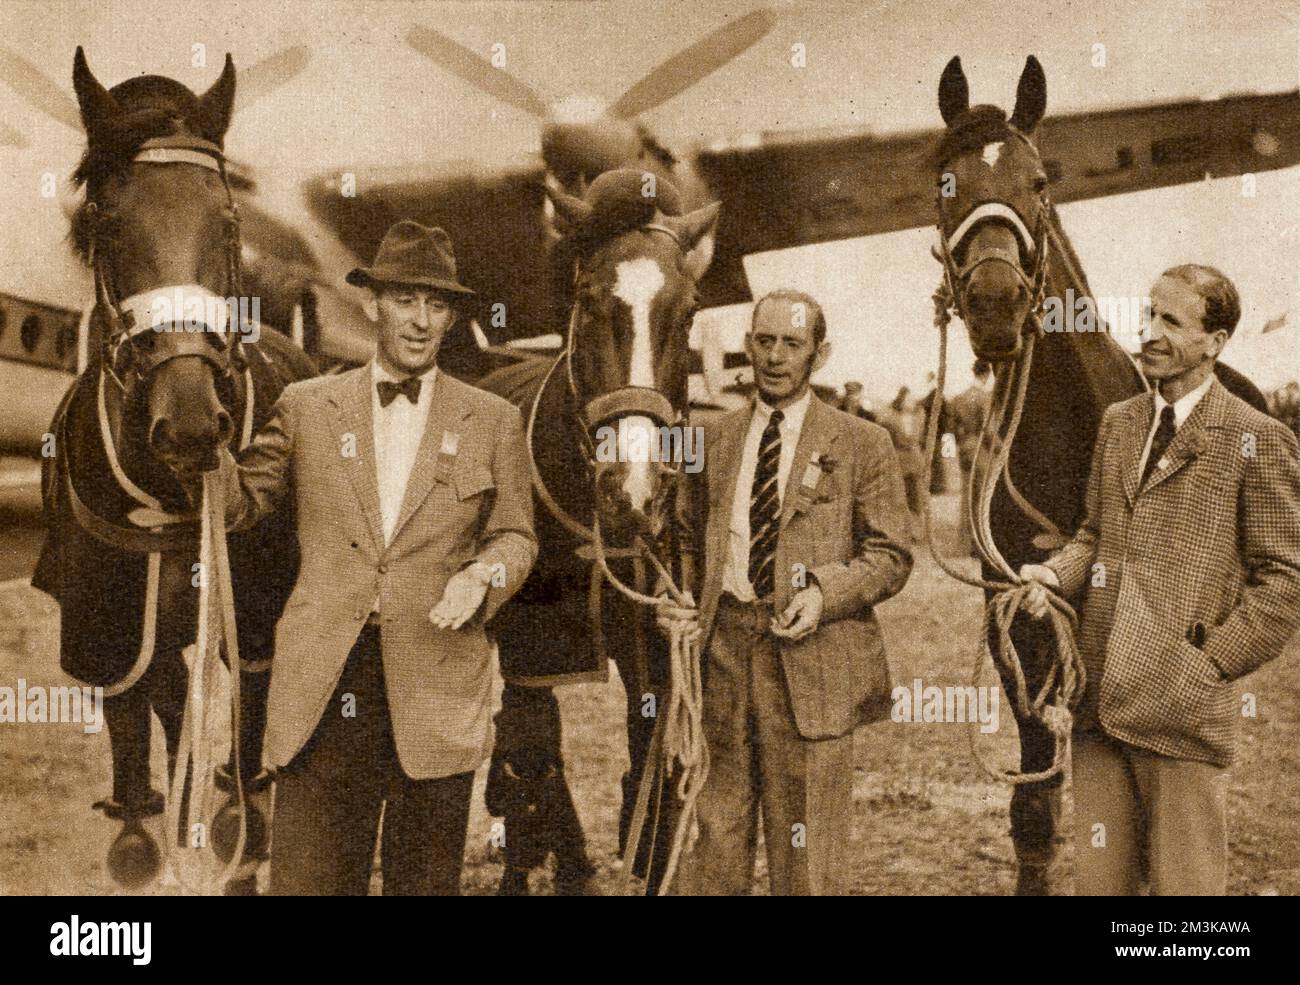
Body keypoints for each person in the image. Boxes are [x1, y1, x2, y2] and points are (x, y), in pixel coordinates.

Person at [217, 220, 538, 894]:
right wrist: (198, 437)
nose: (421, 322)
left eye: (437, 304)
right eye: (405, 301)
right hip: (325, 687)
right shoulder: (305, 407)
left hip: (434, 681)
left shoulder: (492, 420)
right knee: (309, 883)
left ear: (450, 315)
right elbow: (239, 505)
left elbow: (517, 536)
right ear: (372, 303)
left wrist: (483, 575)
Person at [1021, 264, 1300, 895]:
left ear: (1216, 341)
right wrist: (1054, 575)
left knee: (1184, 906)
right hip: (1098, 704)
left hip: (1182, 714)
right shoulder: (1119, 423)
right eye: (1148, 315)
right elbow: (1094, 535)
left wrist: (1207, 664)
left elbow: (1284, 579)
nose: (1149, 332)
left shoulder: (1259, 438)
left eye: (1171, 321)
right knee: (1102, 890)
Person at [658, 288, 913, 894]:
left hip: (810, 663)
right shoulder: (712, 439)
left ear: (819, 355)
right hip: (722, 660)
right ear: (747, 346)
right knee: (716, 837)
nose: (774, 356)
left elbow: (892, 555)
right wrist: (682, 601)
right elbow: (690, 543)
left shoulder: (862, 443)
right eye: (764, 340)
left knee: (805, 853)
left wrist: (825, 595)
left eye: (791, 343)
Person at [947, 359, 993, 557]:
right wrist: (1001, 450)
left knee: (967, 496)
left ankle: (964, 543)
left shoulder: (959, 398)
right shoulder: (985, 398)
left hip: (964, 448)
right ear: (987, 374)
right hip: (981, 450)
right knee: (981, 499)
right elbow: (988, 431)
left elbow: (951, 430)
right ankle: (979, 546)